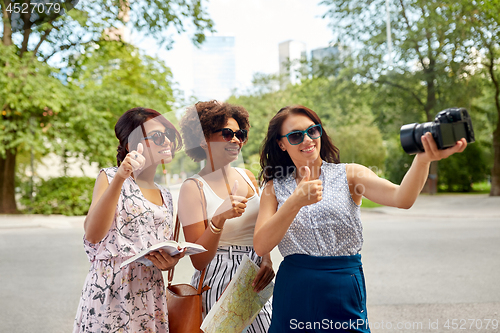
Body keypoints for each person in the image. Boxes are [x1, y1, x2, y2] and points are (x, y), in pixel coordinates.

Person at [253, 105, 467, 333]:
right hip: (294, 290)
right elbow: (262, 244)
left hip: (342, 288)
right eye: (296, 135)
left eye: (313, 131)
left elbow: (402, 197)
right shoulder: (273, 187)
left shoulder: (350, 174)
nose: (307, 139)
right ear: (281, 143)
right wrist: (295, 202)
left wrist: (423, 160)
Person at [73, 107, 185, 332]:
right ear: (130, 145)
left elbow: (164, 248)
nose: (166, 142)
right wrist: (121, 178)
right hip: (112, 291)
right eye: (157, 136)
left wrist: (170, 261)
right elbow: (93, 235)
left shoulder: (166, 194)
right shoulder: (111, 177)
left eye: (168, 136)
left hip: (150, 294)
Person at [177, 101, 274, 332]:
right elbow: (198, 261)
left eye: (240, 134)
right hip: (218, 281)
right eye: (227, 133)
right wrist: (218, 219)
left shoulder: (249, 177)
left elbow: (262, 228)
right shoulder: (193, 188)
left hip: (255, 276)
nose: (236, 140)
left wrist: (267, 259)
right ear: (203, 139)